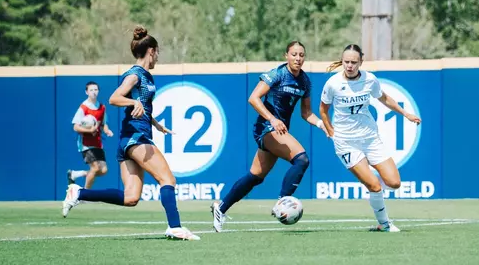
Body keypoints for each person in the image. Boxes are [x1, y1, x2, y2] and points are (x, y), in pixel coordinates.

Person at [62, 26, 199, 241]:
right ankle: (175, 227)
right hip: (136, 138)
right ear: (151, 51)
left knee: (131, 197)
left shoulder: (144, 76)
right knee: (167, 180)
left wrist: (155, 123)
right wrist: (134, 101)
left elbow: (140, 105)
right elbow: (115, 98)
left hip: (129, 139)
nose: (157, 58)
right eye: (158, 53)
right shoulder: (136, 75)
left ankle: (79, 193)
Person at [210, 41, 329, 232]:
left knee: (256, 176)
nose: (298, 58)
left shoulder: (304, 81)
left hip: (279, 130)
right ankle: (282, 202)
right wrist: (273, 119)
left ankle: (221, 208)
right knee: (302, 159)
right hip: (266, 127)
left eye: (301, 55)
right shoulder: (278, 74)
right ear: (286, 56)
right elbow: (253, 98)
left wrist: (322, 124)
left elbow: (306, 113)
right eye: (294, 54)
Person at [319, 44, 422, 232]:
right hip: (346, 143)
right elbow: (323, 110)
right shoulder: (333, 84)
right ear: (342, 61)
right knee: (374, 186)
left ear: (361, 63)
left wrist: (405, 114)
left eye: (353, 62)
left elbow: (384, 98)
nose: (349, 66)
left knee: (394, 183)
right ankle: (384, 224)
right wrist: (331, 132)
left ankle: (378, 203)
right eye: (346, 62)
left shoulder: (369, 80)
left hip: (370, 138)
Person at [67, 81, 114, 188]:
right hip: (85, 144)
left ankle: (76, 174)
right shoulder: (83, 108)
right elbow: (75, 127)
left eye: (96, 90)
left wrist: (107, 130)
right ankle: (85, 194)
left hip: (97, 142)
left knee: (103, 171)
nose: (94, 92)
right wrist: (90, 130)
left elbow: (103, 124)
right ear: (86, 92)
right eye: (91, 90)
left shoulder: (102, 107)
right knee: (95, 168)